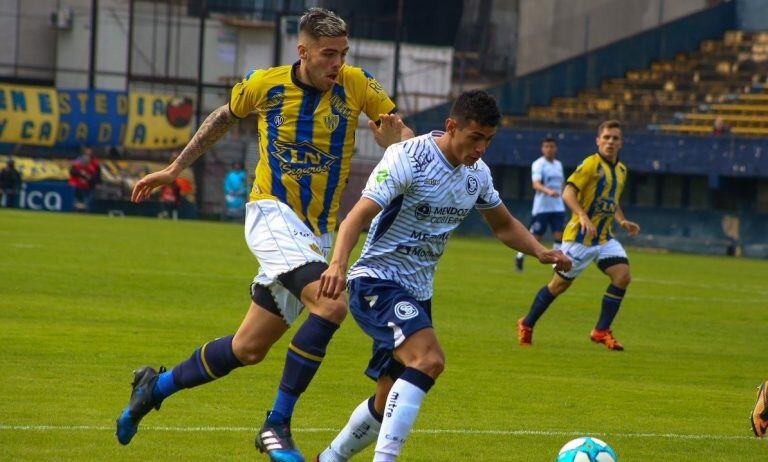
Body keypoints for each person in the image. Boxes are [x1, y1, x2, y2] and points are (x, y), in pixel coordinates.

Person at [116, 8, 413, 462]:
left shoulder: (357, 84)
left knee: (248, 348)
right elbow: (223, 116)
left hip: (317, 233)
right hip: (270, 213)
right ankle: (276, 425)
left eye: (343, 53)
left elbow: (399, 134)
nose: (337, 62)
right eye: (328, 54)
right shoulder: (267, 83)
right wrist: (175, 168)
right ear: (304, 52)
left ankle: (153, 387)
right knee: (331, 303)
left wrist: (395, 142)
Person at [313, 90, 571, 462]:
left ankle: (329, 459)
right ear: (452, 127)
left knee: (387, 398)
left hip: (417, 293)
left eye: (489, 140)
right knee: (429, 360)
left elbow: (503, 225)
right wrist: (337, 264)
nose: (481, 148)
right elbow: (357, 216)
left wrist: (540, 251)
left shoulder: (477, 175)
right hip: (377, 280)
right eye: (475, 137)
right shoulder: (408, 157)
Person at [517, 120, 640, 351]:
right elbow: (568, 192)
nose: (610, 142)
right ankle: (527, 323)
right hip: (579, 238)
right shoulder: (590, 165)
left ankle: (601, 330)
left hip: (603, 238)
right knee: (558, 286)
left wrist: (622, 220)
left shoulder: (621, 170)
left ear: (621, 143)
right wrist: (582, 216)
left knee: (622, 276)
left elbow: (612, 201)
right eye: (606, 137)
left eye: (615, 138)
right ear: (598, 141)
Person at [515, 137, 565, 272]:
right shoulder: (538, 164)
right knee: (536, 238)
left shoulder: (558, 165)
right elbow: (536, 184)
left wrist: (564, 194)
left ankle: (556, 264)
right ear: (542, 149)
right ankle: (520, 256)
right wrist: (549, 191)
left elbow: (562, 184)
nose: (549, 149)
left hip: (558, 207)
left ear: (556, 148)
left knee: (559, 235)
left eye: (552, 146)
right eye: (547, 146)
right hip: (542, 207)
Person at [68, 147, 100, 212]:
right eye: (84, 161)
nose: (86, 163)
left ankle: (85, 211)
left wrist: (89, 178)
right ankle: (74, 210)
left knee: (86, 202)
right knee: (76, 201)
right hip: (77, 186)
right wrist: (81, 173)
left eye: (87, 162)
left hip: (86, 187)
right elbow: (72, 172)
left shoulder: (92, 168)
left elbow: (94, 177)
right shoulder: (77, 166)